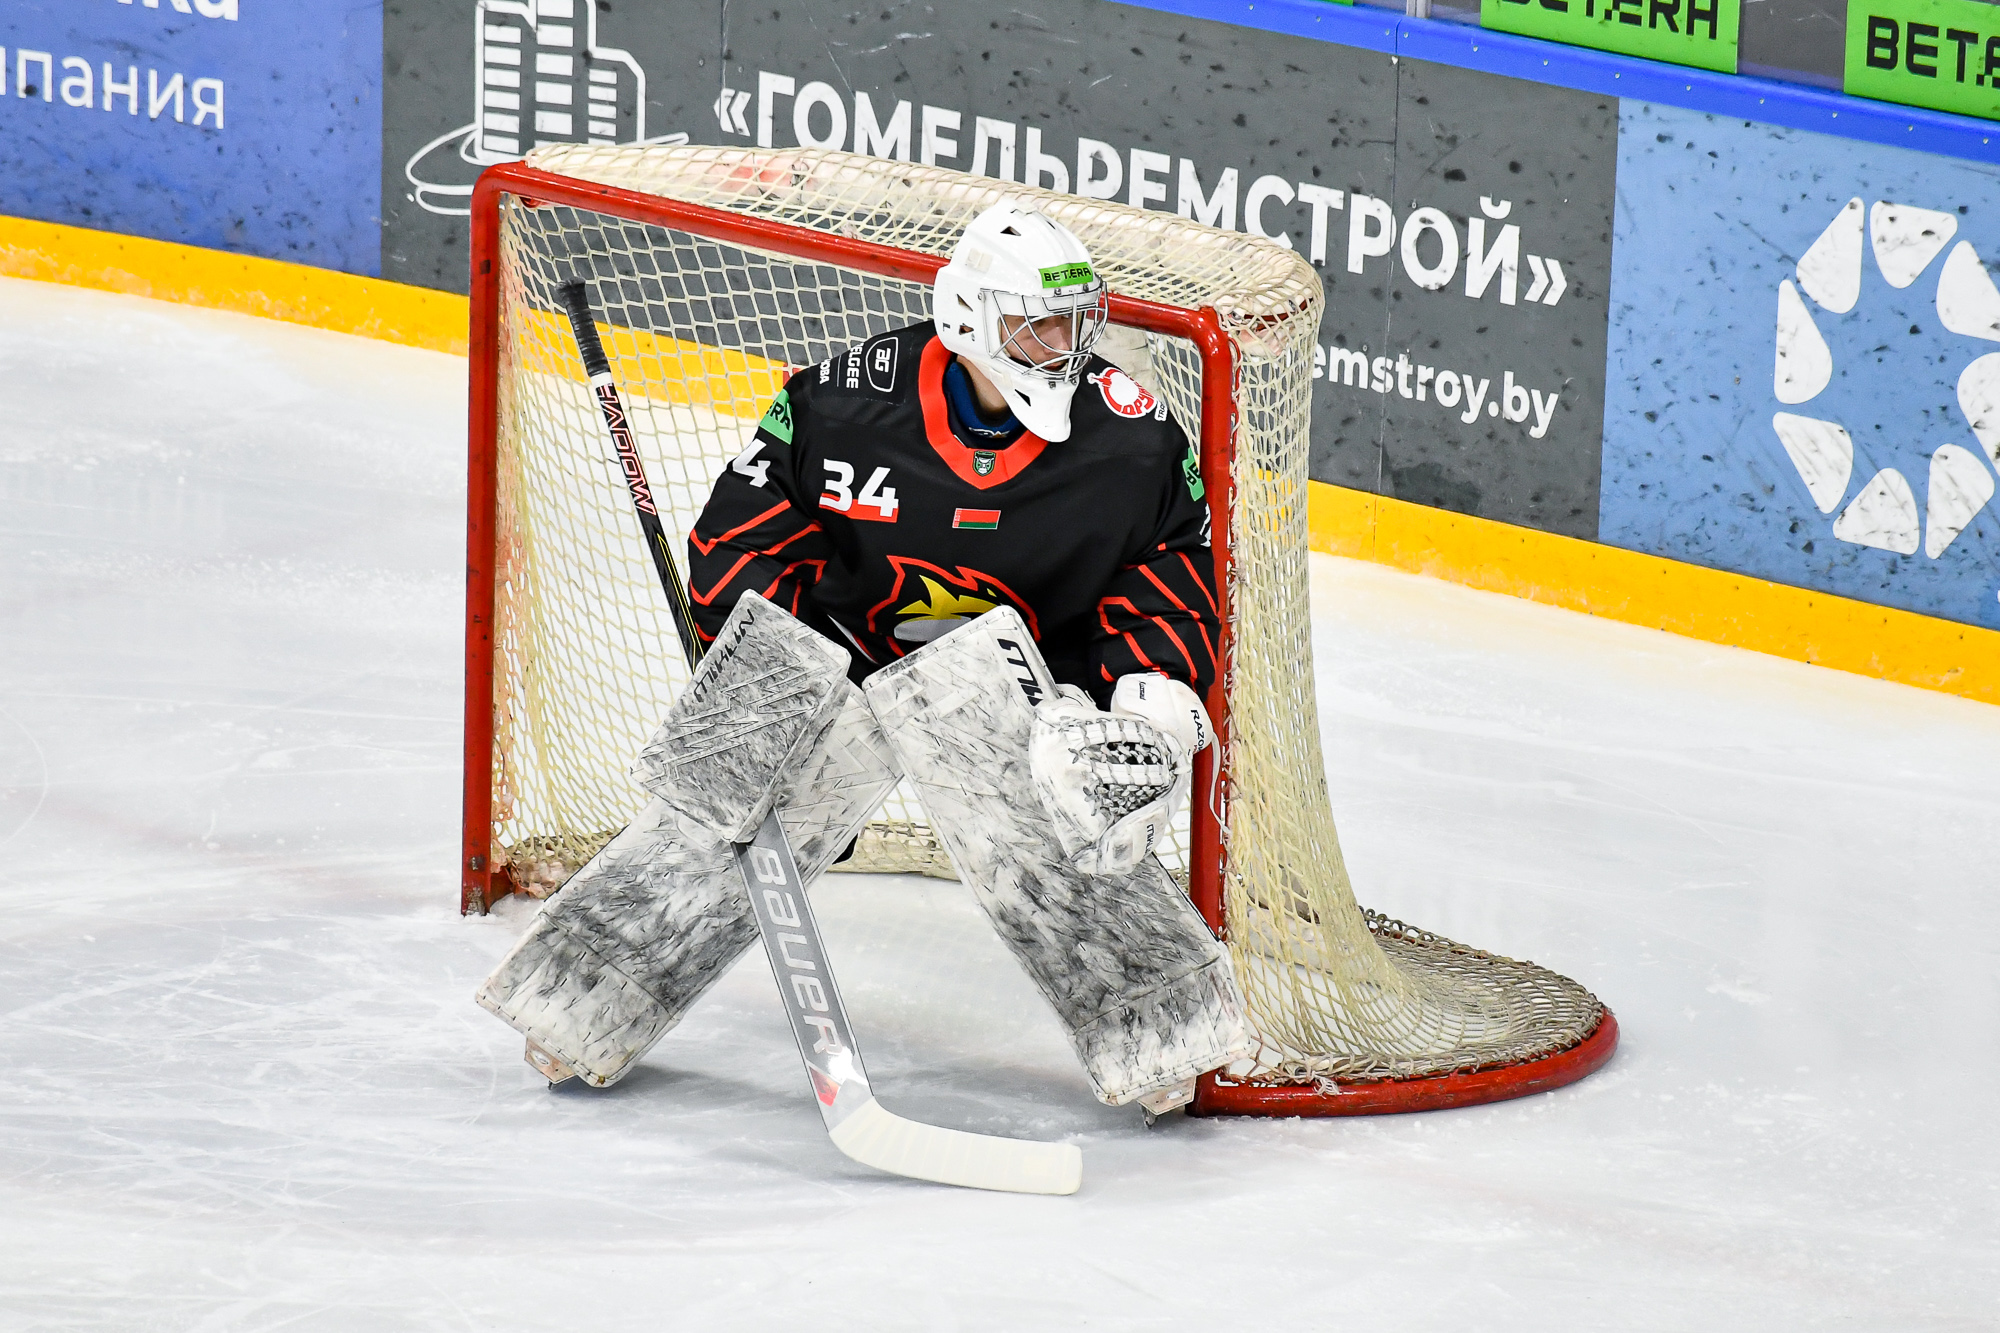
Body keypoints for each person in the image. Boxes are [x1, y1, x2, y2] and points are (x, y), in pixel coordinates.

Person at [686, 199, 1219, 737]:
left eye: (1073, 320)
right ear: (967, 315)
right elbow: (739, 546)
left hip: (1042, 707)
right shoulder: (839, 407)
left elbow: (1169, 585)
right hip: (849, 679)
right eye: (1039, 322)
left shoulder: (1136, 444)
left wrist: (1145, 691)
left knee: (1156, 725)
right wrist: (781, 678)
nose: (1065, 346)